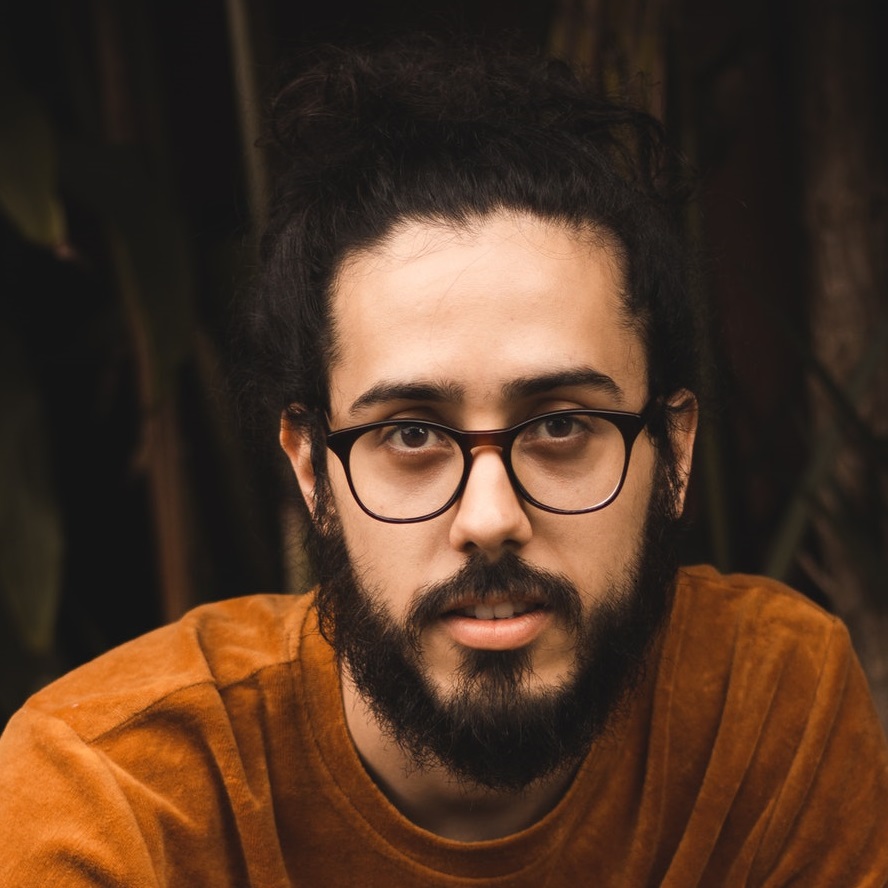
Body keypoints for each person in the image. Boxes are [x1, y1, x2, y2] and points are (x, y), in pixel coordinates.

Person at [1, 32, 887, 887]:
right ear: (312, 470)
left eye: (561, 425)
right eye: (412, 435)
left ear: (676, 451)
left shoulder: (767, 709)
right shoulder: (110, 794)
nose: (491, 518)